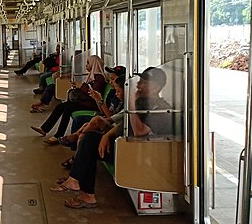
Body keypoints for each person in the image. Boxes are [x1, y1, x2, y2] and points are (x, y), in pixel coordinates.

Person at [52, 66, 174, 209]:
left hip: (141, 154)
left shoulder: (159, 108)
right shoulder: (143, 103)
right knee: (90, 138)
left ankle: (79, 185)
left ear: (156, 87)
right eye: (140, 81)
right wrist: (107, 135)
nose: (139, 85)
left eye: (144, 82)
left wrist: (131, 104)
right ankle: (80, 186)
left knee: (90, 142)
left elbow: (140, 131)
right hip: (126, 145)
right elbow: (124, 123)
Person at [30, 55, 107, 144]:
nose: (86, 65)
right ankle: (44, 129)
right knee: (60, 106)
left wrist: (81, 86)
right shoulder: (92, 75)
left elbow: (94, 93)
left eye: (88, 63)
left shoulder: (99, 77)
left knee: (67, 108)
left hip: (92, 104)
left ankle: (58, 135)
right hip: (86, 101)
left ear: (94, 64)